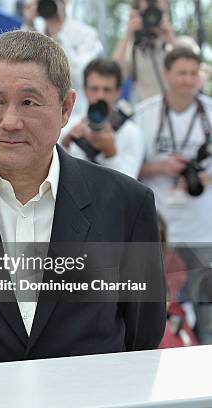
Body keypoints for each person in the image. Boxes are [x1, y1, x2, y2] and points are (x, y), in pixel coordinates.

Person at [0, 30, 166, 369]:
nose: (10, 122)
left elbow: (142, 333)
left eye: (29, 102)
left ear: (66, 107)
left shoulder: (127, 204)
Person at [135, 47, 212, 343]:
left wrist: (203, 177)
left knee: (206, 310)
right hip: (159, 231)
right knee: (155, 308)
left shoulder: (208, 109)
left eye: (194, 73)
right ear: (166, 74)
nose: (188, 80)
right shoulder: (145, 113)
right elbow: (124, 167)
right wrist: (160, 166)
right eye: (181, 73)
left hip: (202, 232)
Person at [60, 58, 145, 179]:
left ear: (118, 92)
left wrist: (111, 154)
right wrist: (65, 144)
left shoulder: (132, 133)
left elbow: (131, 186)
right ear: (85, 90)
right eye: (94, 89)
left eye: (107, 90)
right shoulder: (67, 126)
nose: (100, 95)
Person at [22, 0, 103, 118]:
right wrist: (29, 24)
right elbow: (20, 66)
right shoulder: (33, 29)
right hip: (33, 110)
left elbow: (80, 76)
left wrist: (56, 32)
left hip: (71, 115)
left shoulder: (86, 34)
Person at [113, 0, 177, 103]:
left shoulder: (178, 44)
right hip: (146, 111)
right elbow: (113, 74)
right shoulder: (132, 48)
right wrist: (128, 35)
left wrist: (170, 37)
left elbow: (190, 68)